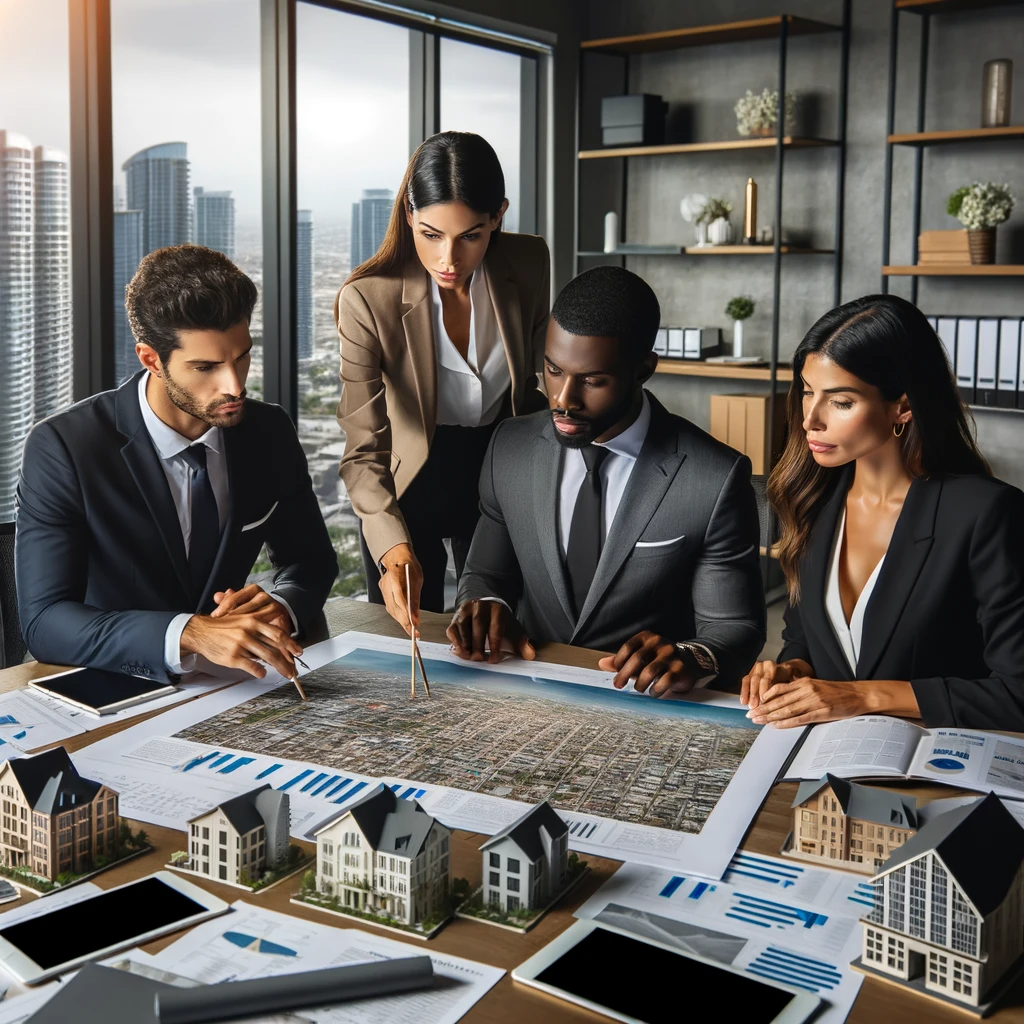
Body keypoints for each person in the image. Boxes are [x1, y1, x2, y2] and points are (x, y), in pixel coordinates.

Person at [16, 244, 338, 684]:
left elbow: (312, 561)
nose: (235, 385)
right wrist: (190, 632)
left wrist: (280, 603)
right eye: (206, 366)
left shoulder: (268, 430)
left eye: (241, 356)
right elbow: (44, 621)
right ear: (151, 359)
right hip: (113, 687)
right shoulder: (65, 447)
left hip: (236, 686)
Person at [447, 266, 766, 696]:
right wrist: (487, 606)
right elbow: (486, 574)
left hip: (644, 706)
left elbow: (733, 626)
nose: (562, 400)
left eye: (593, 381)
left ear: (643, 370)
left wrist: (692, 656)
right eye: (553, 370)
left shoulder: (713, 477)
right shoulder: (510, 447)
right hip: (526, 694)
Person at [742, 294, 1024, 731]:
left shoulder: (986, 513)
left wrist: (863, 697)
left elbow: (1017, 693)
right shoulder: (810, 500)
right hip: (824, 760)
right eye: (808, 392)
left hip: (937, 769)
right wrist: (792, 670)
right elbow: (807, 639)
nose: (810, 420)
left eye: (840, 401)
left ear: (903, 406)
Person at [336, 131, 550, 632]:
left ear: (498, 215)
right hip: (409, 486)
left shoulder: (529, 261)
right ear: (409, 213)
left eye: (471, 235)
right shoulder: (368, 300)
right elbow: (363, 449)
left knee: (500, 634)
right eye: (431, 233)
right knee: (413, 637)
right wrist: (392, 548)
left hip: (500, 470)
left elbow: (545, 377)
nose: (449, 260)